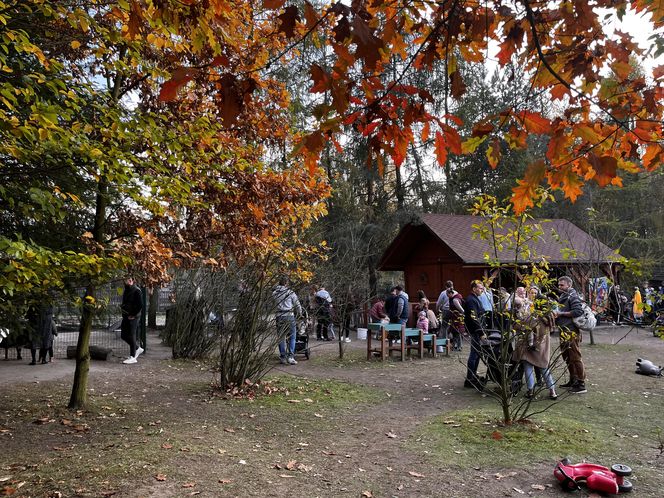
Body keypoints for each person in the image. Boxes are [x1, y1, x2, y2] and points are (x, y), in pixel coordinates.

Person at [554, 276, 587, 394]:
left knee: (575, 357)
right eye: (559, 285)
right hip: (563, 330)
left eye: (562, 285)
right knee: (567, 357)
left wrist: (561, 313)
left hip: (571, 331)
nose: (559, 287)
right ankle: (573, 380)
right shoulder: (563, 296)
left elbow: (578, 311)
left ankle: (581, 384)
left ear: (569, 285)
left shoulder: (573, 295)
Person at [273, 276, 303, 365]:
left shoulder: (274, 293)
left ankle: (282, 357)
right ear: (286, 283)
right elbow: (297, 304)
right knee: (292, 337)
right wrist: (300, 314)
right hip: (289, 315)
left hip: (279, 316)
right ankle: (291, 357)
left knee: (281, 337)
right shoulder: (290, 292)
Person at [464, 280, 485, 389]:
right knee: (474, 354)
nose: (482, 290)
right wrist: (480, 332)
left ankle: (472, 375)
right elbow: (474, 318)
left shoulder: (475, 298)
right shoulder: (471, 300)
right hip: (475, 331)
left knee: (477, 354)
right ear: (474, 289)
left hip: (477, 330)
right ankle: (470, 378)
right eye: (480, 288)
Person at [121, 276, 144, 365]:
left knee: (131, 335)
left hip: (133, 317)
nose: (123, 282)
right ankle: (137, 348)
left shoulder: (136, 290)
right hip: (126, 316)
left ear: (131, 281)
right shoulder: (127, 289)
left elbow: (140, 305)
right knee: (123, 335)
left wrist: (133, 315)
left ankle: (133, 357)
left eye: (125, 280)